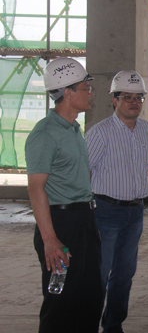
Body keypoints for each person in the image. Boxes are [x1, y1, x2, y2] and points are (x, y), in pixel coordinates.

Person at [25, 57, 104, 333]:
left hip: (84, 221)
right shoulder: (45, 134)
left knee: (91, 297)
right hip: (60, 224)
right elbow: (36, 188)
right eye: (86, 88)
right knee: (61, 303)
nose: (90, 94)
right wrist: (50, 240)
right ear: (68, 93)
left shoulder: (73, 130)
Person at [85, 70, 148, 333]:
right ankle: (88, 325)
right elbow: (84, 174)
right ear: (114, 100)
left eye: (139, 97)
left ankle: (113, 325)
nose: (134, 102)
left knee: (125, 273)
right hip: (104, 211)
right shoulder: (99, 133)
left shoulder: (147, 131)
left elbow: (143, 169)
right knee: (99, 273)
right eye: (128, 97)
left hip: (135, 212)